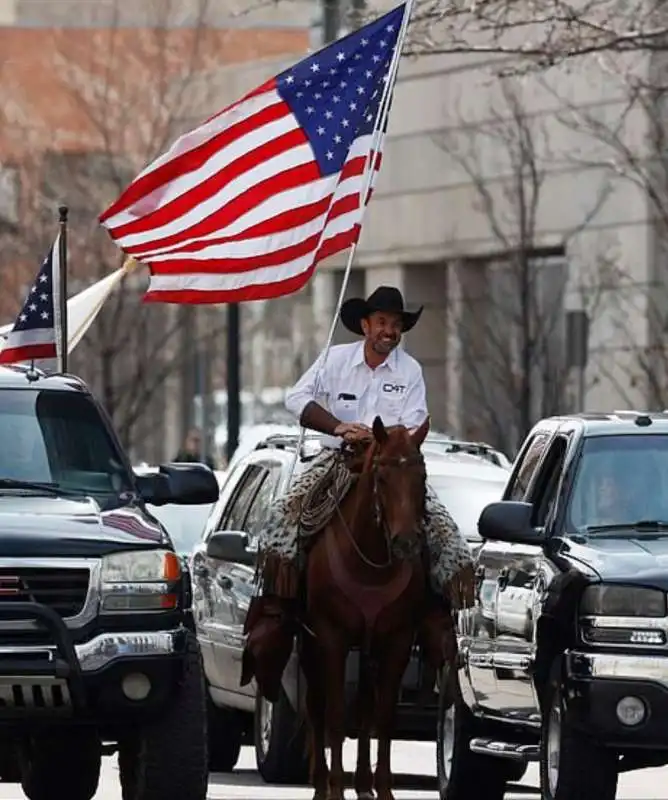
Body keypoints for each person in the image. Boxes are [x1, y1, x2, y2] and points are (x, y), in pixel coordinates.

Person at [256, 285, 475, 608]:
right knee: (284, 516)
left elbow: (414, 425)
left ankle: (438, 621)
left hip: (392, 465)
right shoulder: (335, 359)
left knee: (448, 538)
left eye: (397, 325)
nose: (390, 331)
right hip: (337, 460)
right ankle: (277, 609)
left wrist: (376, 439)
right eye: (383, 322)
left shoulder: (410, 370)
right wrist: (339, 427)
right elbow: (297, 398)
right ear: (366, 326)